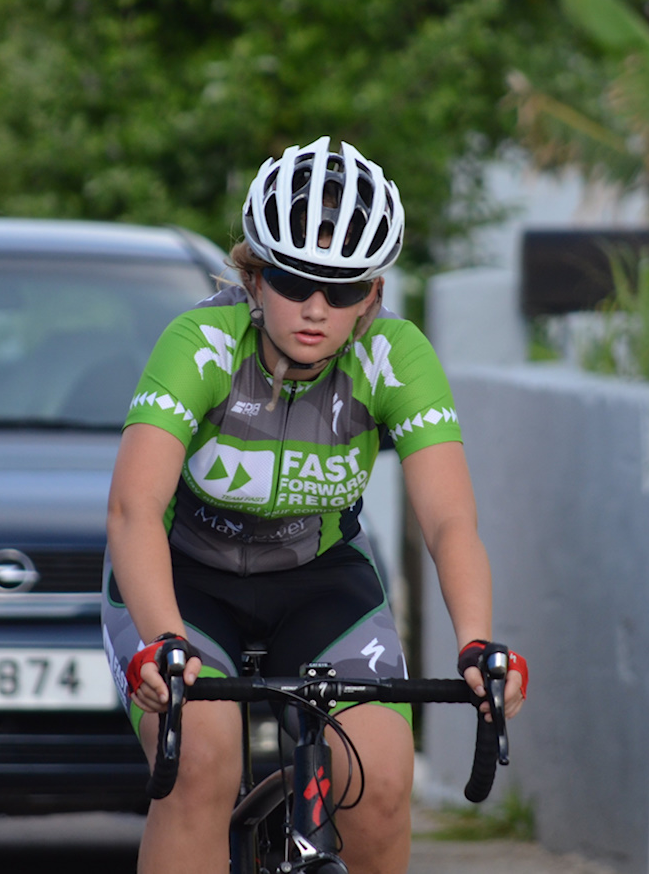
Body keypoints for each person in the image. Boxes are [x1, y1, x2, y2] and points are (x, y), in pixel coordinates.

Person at [103, 136, 527, 874]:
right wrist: (162, 640)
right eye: (294, 281)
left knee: (385, 781)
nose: (315, 308)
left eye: (343, 289)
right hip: (184, 579)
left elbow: (449, 520)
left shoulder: (395, 357)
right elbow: (134, 511)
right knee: (202, 768)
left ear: (374, 296)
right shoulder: (201, 343)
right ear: (253, 276)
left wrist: (477, 642)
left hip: (318, 578)